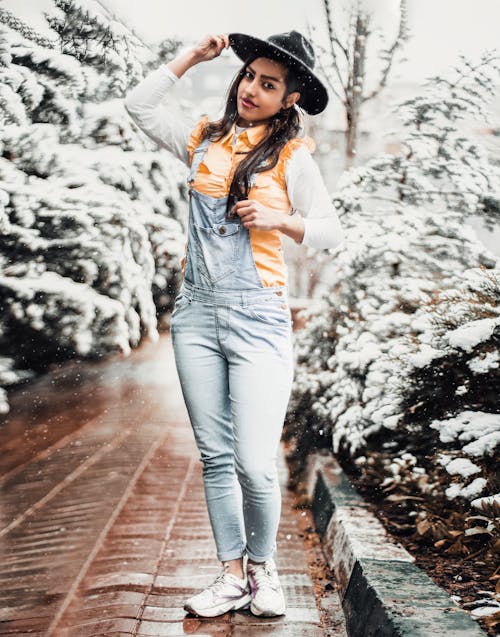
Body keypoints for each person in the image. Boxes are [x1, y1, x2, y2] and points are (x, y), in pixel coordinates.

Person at [124, 30, 344, 619]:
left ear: (289, 98)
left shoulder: (293, 158)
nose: (251, 88)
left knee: (252, 458)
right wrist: (192, 57)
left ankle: (264, 571)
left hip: (259, 317)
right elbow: (139, 105)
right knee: (217, 456)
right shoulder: (204, 137)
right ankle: (229, 574)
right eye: (249, 75)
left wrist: (279, 218)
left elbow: (332, 230)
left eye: (268, 83)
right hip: (196, 315)